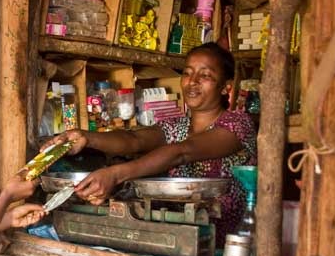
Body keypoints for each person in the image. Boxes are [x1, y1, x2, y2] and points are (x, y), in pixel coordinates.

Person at [44, 42, 256, 244]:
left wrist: (115, 175)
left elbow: (182, 152)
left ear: (225, 87)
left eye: (206, 75)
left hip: (228, 243)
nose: (192, 81)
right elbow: (134, 140)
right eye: (187, 72)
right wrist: (86, 137)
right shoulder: (176, 126)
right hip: (173, 235)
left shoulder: (238, 124)